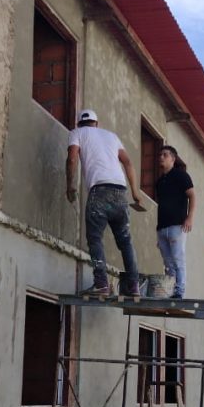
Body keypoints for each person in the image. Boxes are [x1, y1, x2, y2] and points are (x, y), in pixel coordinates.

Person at [66, 109, 143, 296]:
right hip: (120, 193)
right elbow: (128, 163)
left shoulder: (76, 133)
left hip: (100, 192)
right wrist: (135, 192)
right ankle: (133, 286)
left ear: (79, 124)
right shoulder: (111, 136)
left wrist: (70, 186)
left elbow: (72, 158)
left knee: (95, 239)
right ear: (96, 123)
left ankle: (101, 284)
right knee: (125, 241)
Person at [154, 145, 195, 299]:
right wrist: (158, 233)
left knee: (178, 259)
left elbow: (192, 195)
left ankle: (179, 291)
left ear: (173, 158)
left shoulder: (181, 176)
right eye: (160, 155)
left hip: (177, 225)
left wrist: (189, 217)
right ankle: (171, 290)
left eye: (165, 155)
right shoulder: (160, 182)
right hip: (162, 228)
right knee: (168, 263)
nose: (161, 157)